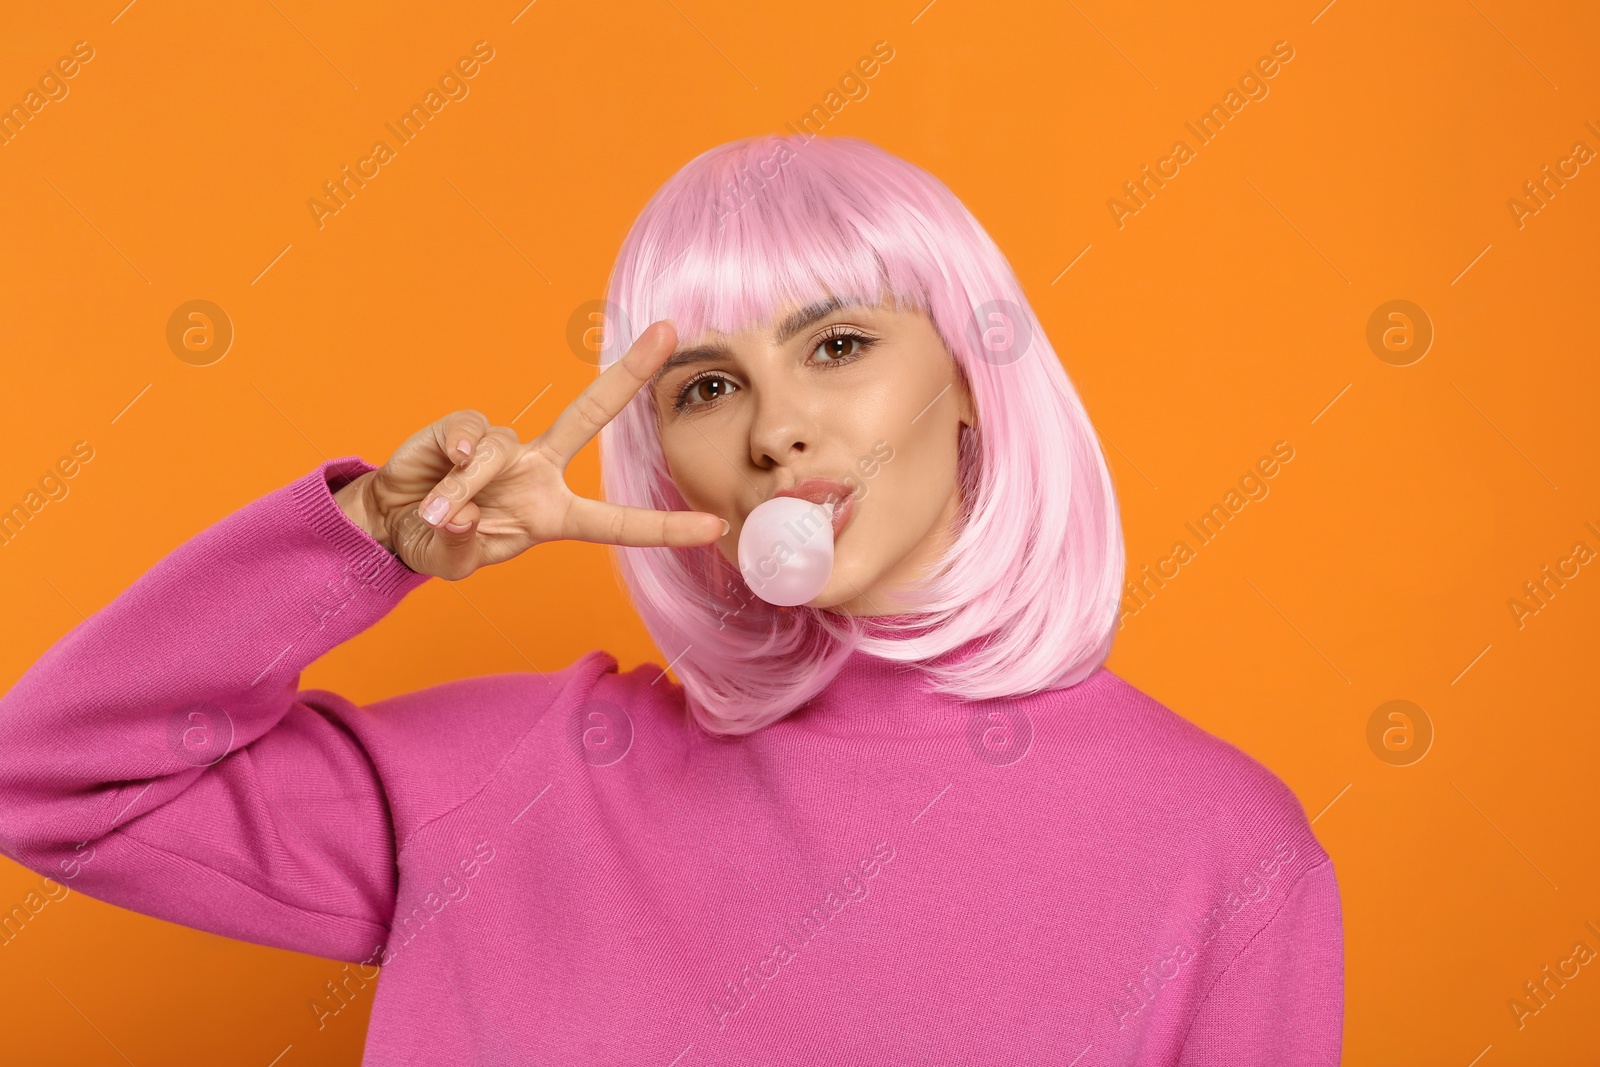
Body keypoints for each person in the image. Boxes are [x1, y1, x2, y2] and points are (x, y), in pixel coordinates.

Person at [0, 134, 1342, 1064]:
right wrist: (372, 540)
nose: (779, 432)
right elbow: (52, 776)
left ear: (975, 387)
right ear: (661, 458)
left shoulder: (1224, 852)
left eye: (837, 345)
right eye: (708, 387)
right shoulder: (511, 781)